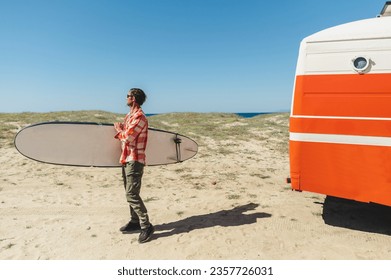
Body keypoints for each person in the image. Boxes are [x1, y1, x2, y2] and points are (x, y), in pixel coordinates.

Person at [114, 88, 154, 243]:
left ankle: (146, 226)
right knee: (129, 193)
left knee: (131, 194)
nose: (126, 97)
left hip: (135, 160)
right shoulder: (129, 116)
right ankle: (135, 221)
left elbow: (129, 137)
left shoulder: (139, 117)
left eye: (128, 96)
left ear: (134, 99)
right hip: (126, 159)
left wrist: (118, 130)